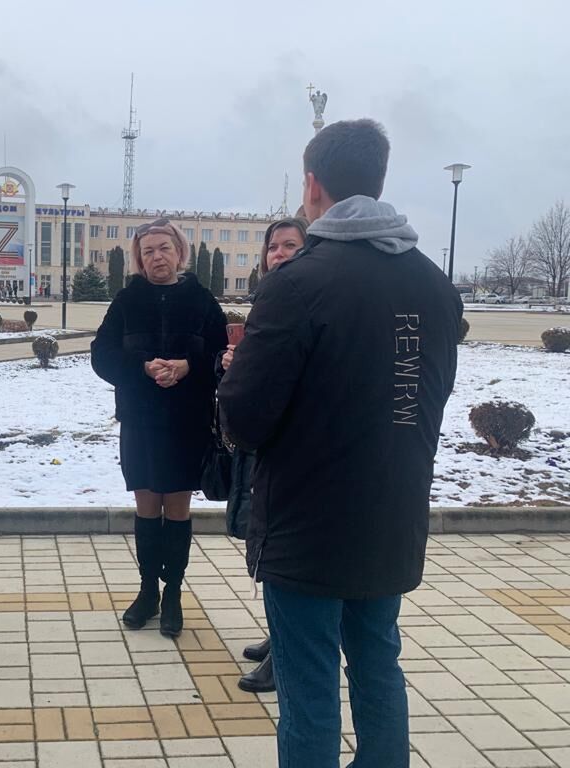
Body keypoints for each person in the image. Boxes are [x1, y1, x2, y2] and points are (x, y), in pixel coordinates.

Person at [218, 119, 462, 768]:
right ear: (378, 180)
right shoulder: (434, 285)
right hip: (393, 514)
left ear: (312, 185)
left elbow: (245, 417)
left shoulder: (297, 282)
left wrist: (231, 384)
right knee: (378, 662)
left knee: (309, 686)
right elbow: (427, 396)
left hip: (308, 525)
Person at [91, 218, 226, 638]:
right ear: (139, 258)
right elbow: (101, 355)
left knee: (178, 510)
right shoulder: (126, 300)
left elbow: (223, 355)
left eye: (164, 248)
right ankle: (148, 589)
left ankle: (174, 594)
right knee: (147, 507)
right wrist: (143, 367)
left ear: (179, 252)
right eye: (148, 251)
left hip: (187, 422)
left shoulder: (201, 300)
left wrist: (189, 366)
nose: (157, 257)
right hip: (141, 421)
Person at [220, 216, 308, 695]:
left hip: (289, 446)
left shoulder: (306, 298)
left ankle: (285, 654)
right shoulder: (268, 299)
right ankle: (279, 635)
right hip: (262, 441)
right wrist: (236, 365)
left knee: (280, 551)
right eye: (273, 246)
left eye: (290, 245)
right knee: (264, 543)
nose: (279, 253)